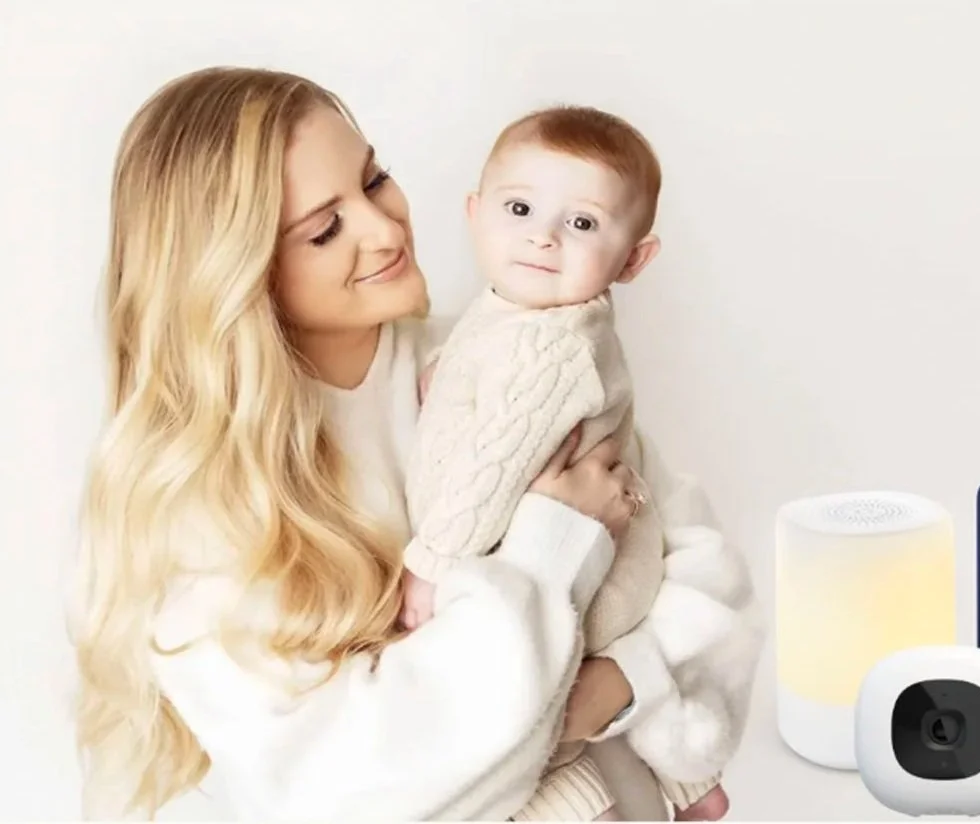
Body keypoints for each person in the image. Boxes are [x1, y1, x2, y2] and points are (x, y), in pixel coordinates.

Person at [69, 66, 762, 821]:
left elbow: (702, 571)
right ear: (233, 272)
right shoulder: (205, 501)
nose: (385, 229)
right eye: (325, 229)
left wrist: (623, 683)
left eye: (375, 180)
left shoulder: (501, 360)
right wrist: (556, 546)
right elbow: (353, 786)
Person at [399, 106, 730, 821]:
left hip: (598, 575)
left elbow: (493, 465)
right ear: (476, 214)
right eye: (519, 208)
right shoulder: (514, 313)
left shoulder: (554, 346)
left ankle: (676, 782)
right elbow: (485, 368)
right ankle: (691, 783)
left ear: (633, 259)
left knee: (540, 699)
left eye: (581, 223)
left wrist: (430, 563)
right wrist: (445, 374)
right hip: (595, 554)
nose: (542, 236)